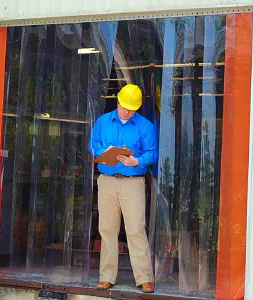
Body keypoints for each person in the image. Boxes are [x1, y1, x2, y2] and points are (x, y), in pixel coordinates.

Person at [89, 84, 158, 293]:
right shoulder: (102, 122)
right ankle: (106, 276)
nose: (127, 111)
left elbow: (153, 153)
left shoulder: (145, 126)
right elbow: (93, 145)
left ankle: (144, 277)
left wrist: (136, 162)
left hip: (133, 183)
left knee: (135, 229)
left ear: (137, 108)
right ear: (117, 102)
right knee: (107, 229)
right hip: (107, 180)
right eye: (124, 107)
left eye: (131, 108)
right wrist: (105, 152)